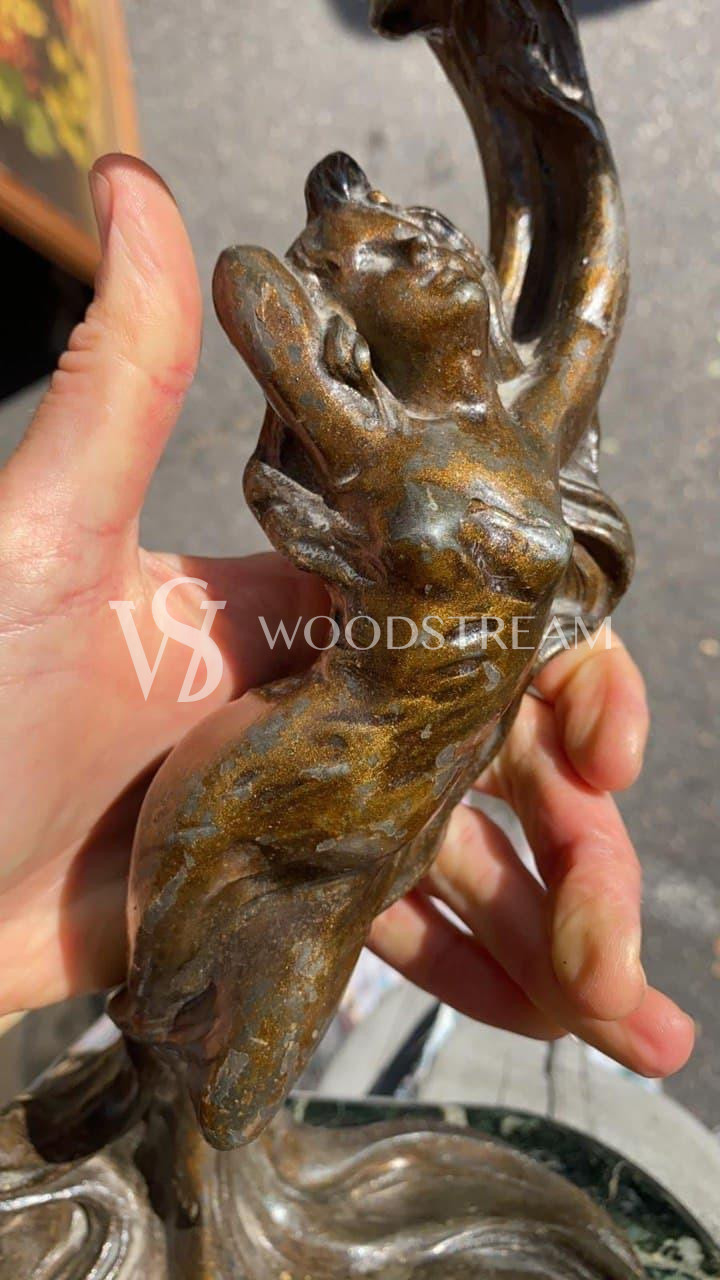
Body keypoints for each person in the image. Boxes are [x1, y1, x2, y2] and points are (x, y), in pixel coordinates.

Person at [0, 155, 693, 1078]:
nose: (427, 247)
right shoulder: (365, 436)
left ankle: (150, 1126)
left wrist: (544, 101)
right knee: (175, 1036)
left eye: (426, 229)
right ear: (347, 316)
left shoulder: (530, 425)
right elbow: (248, 280)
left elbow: (593, 296)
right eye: (389, 258)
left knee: (235, 1082)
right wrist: (327, 278)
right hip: (273, 787)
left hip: (399, 817)